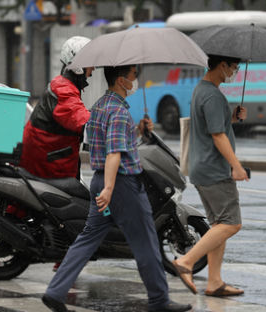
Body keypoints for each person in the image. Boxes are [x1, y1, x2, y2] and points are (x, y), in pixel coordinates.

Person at [41, 65, 192, 312]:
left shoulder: (101, 105)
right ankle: (159, 300)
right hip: (121, 186)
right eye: (134, 76)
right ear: (121, 80)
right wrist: (110, 189)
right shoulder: (119, 112)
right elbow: (114, 153)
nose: (136, 81)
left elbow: (105, 142)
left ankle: (56, 291)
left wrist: (138, 131)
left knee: (87, 239)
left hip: (100, 180)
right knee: (146, 241)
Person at [171, 55, 248, 297]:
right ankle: (186, 261)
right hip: (215, 169)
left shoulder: (202, 89)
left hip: (201, 167)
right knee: (231, 223)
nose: (234, 72)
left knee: (218, 225)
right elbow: (217, 135)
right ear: (222, 65)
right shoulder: (213, 95)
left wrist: (232, 117)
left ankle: (214, 282)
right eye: (233, 67)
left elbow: (213, 126)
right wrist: (236, 166)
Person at [19, 36, 93, 180]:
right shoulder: (63, 89)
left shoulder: (65, 86)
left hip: (53, 162)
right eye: (90, 63)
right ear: (78, 65)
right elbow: (80, 120)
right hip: (48, 166)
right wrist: (110, 120)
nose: (93, 68)